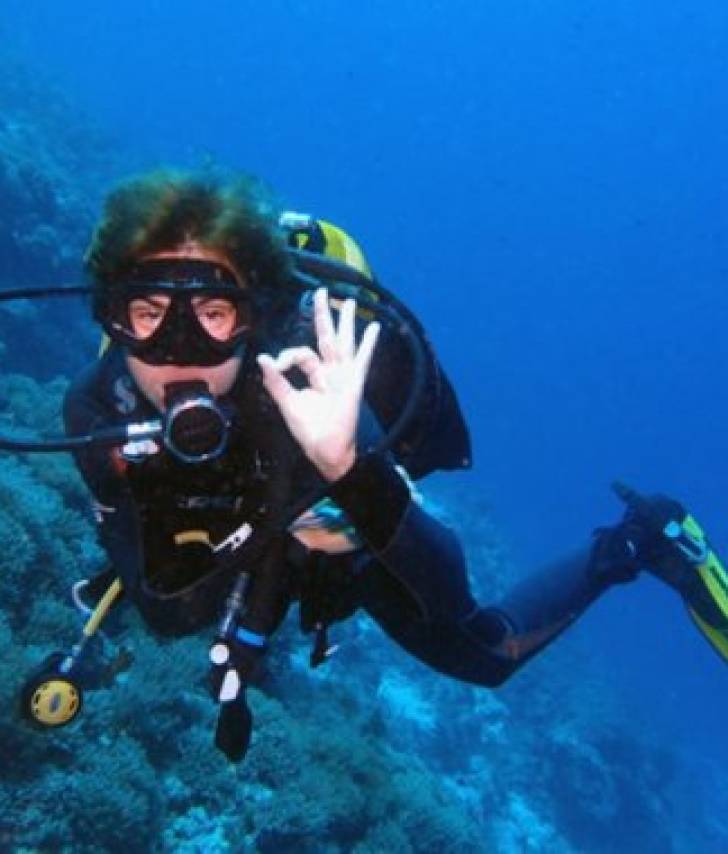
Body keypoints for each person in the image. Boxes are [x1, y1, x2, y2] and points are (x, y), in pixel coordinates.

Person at [55, 170, 726, 758]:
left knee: (486, 657)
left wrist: (350, 467)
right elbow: (172, 614)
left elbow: (448, 598)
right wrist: (259, 538)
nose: (181, 350)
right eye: (145, 312)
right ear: (109, 319)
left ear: (252, 316)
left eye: (213, 311)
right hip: (252, 527)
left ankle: (642, 538)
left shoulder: (317, 390)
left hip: (335, 513)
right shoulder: (97, 412)